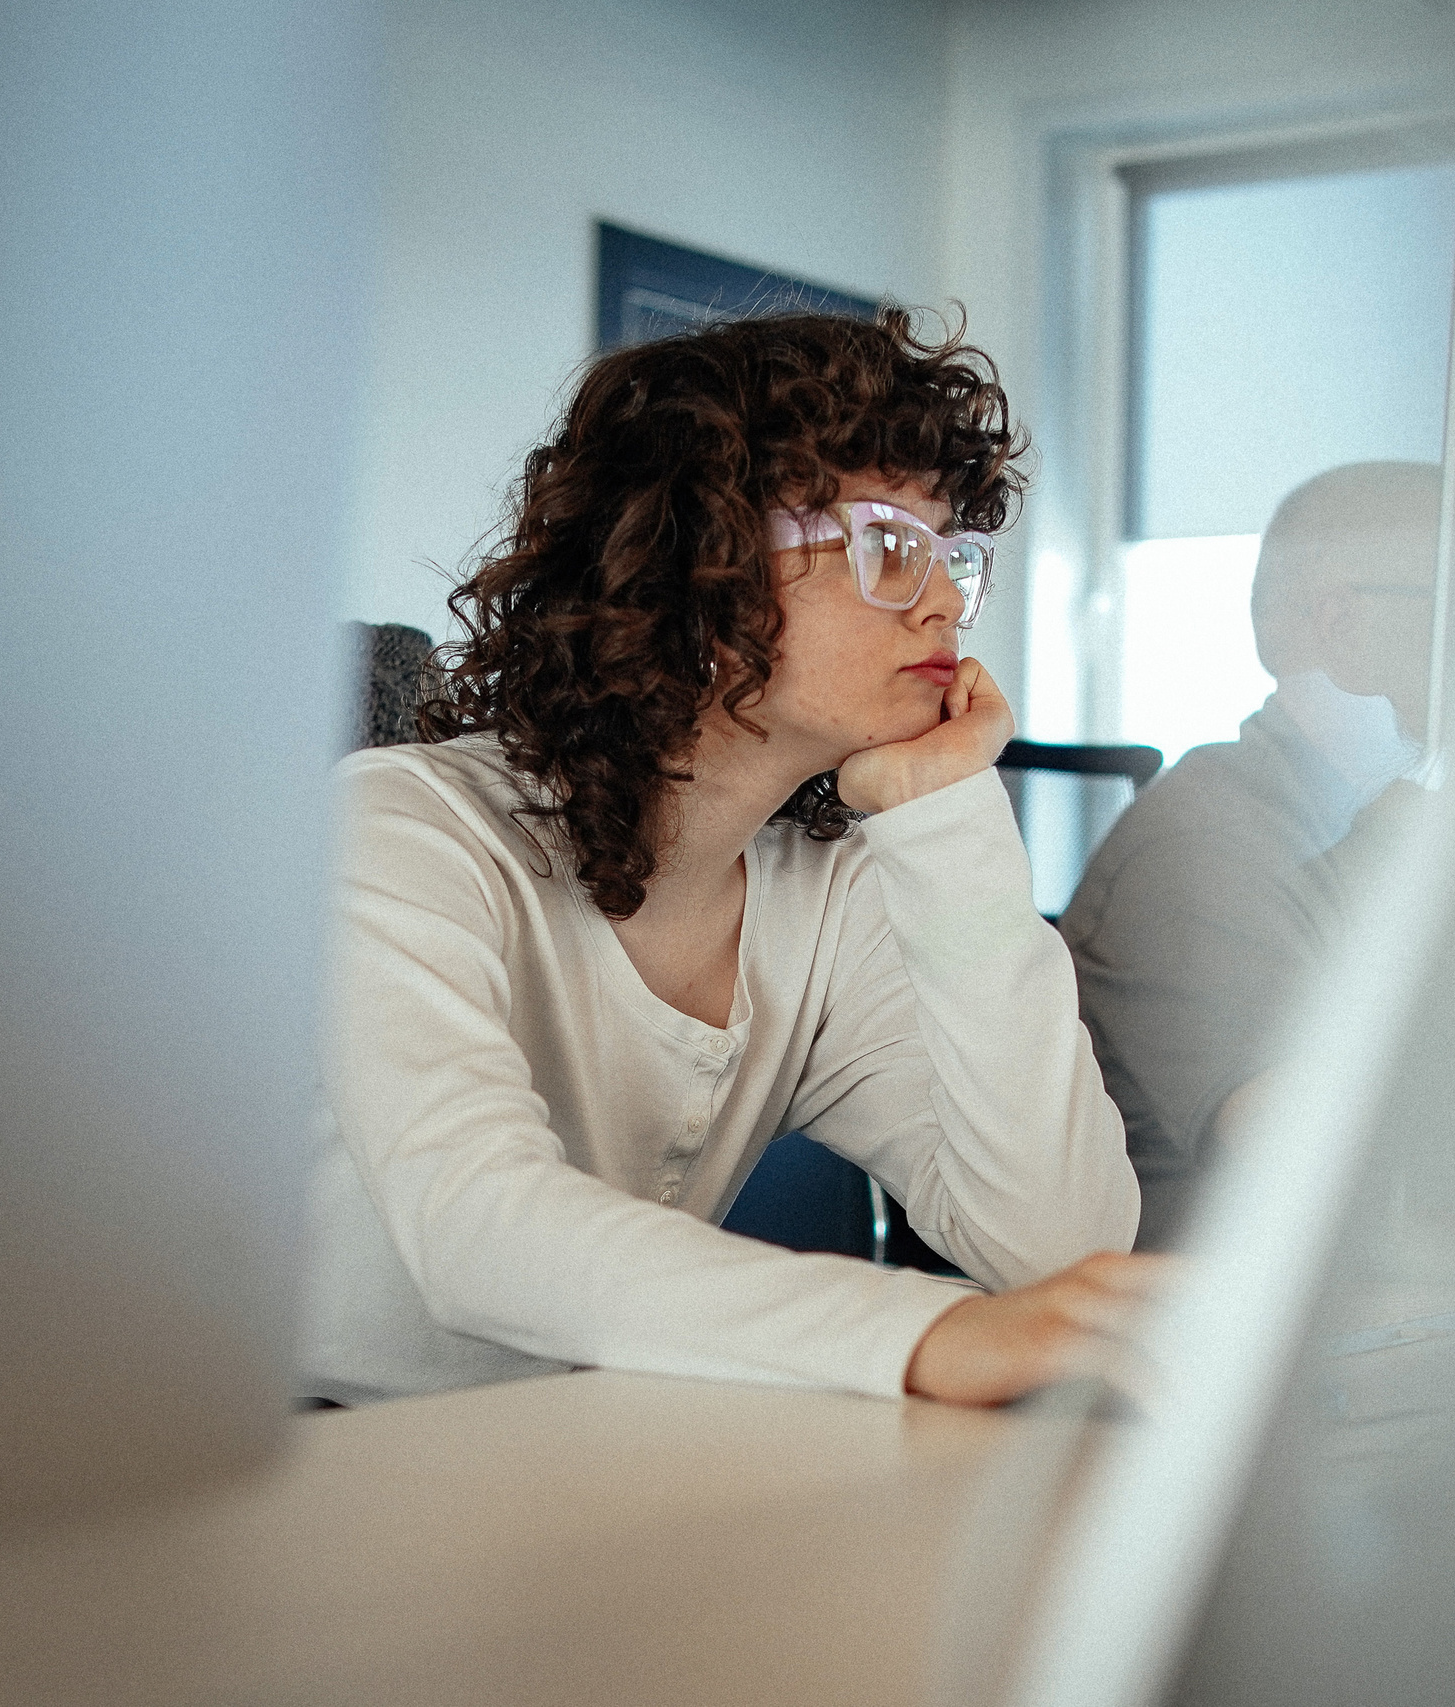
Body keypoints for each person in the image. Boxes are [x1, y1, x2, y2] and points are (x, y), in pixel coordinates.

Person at [300, 311, 1147, 1410]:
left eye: (955, 555)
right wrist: (928, 1333)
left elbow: (1057, 1243)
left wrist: (947, 815)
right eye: (891, 547)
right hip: (295, 1467)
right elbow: (475, 1230)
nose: (943, 599)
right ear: (699, 574)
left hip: (574, 1457)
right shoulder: (401, 824)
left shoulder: (825, 896)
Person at [1063, 461, 1438, 1248]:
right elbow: (1342, 1184)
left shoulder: (1355, 831)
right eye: (1453, 608)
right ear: (1339, 624)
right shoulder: (1202, 852)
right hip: (1193, 1355)